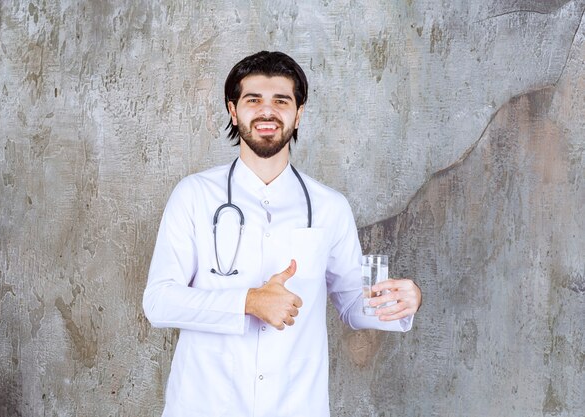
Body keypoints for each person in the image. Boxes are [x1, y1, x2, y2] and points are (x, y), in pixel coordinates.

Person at [143, 51, 422, 417]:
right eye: (253, 100)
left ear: (298, 112)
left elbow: (354, 306)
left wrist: (400, 302)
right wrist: (248, 301)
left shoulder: (330, 207)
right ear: (233, 110)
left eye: (281, 100)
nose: (267, 112)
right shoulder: (194, 195)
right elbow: (159, 302)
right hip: (206, 403)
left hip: (295, 405)